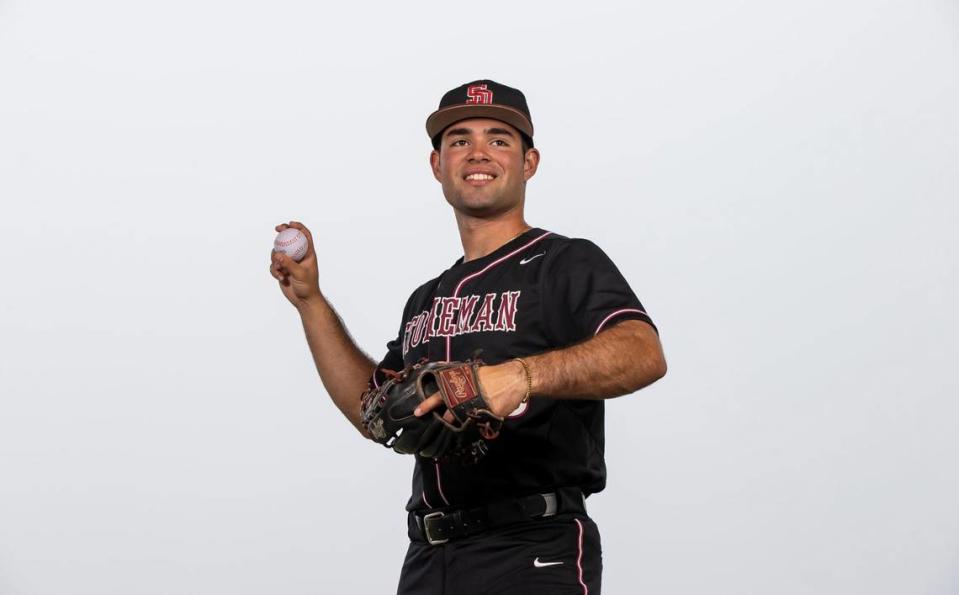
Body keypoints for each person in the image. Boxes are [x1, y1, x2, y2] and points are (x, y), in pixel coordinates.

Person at [270, 79, 667, 594]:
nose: (478, 152)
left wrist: (519, 377)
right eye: (459, 140)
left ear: (530, 162)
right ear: (437, 166)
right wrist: (310, 303)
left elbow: (643, 352)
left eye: (499, 139)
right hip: (428, 560)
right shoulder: (426, 298)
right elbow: (373, 410)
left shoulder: (564, 262)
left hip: (531, 548)